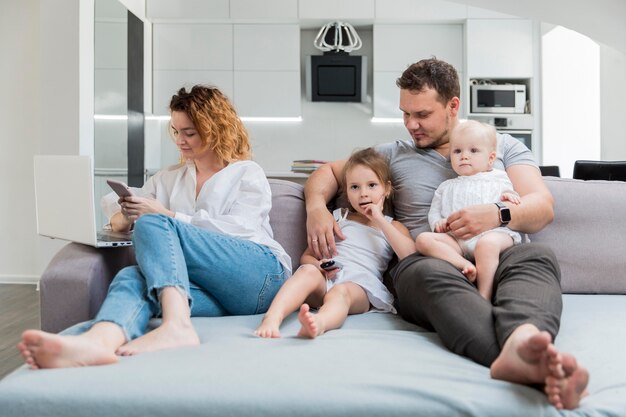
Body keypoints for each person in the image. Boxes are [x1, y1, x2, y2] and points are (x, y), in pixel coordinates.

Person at [303, 58, 589, 410]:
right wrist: (316, 208)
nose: (411, 124)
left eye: (422, 114)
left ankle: (524, 342)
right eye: (405, 114)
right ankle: (527, 358)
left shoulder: (501, 145)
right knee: (426, 270)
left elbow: (542, 207)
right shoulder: (394, 153)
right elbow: (326, 172)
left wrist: (498, 214)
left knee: (536, 256)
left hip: (500, 250)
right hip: (427, 260)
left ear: (453, 106)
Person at [18, 85, 291, 369]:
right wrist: (125, 216)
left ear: (217, 129)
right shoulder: (169, 178)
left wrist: (166, 215)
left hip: (260, 278)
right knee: (132, 277)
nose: (180, 141)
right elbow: (118, 205)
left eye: (190, 133)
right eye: (176, 131)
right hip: (215, 293)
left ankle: (176, 326)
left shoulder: (247, 173)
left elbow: (241, 231)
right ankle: (99, 341)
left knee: (154, 220)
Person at [255, 148, 415, 339]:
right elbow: (307, 256)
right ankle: (273, 318)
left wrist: (379, 219)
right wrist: (320, 266)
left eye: (372, 185)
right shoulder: (338, 218)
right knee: (306, 271)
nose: (363, 194)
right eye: (355, 187)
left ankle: (319, 323)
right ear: (346, 192)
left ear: (386, 189)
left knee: (341, 292)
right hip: (327, 279)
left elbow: (409, 255)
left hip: (361, 287)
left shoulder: (393, 226)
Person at [415, 120, 523, 301]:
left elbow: (507, 193)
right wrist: (437, 223)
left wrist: (510, 195)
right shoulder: (445, 187)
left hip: (493, 235)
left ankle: (484, 294)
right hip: (457, 242)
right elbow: (434, 212)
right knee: (423, 239)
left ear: (490, 158)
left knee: (486, 245)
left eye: (473, 151)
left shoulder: (497, 177)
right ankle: (464, 265)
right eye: (457, 151)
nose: (464, 156)